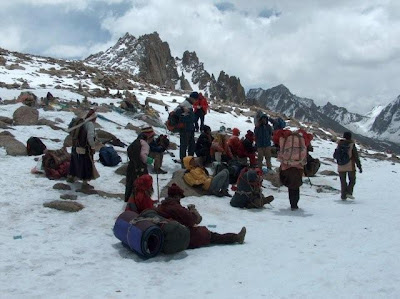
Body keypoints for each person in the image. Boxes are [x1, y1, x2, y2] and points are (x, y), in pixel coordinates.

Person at [155, 183, 246, 249]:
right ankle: (236, 238)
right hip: (183, 236)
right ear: (177, 196)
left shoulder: (163, 205)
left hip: (172, 234)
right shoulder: (176, 207)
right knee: (210, 235)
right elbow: (194, 220)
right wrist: (192, 210)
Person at [276, 129, 308, 210]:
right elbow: (304, 152)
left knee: (290, 186)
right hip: (298, 167)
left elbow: (281, 152)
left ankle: (292, 203)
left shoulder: (284, 139)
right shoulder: (300, 139)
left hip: (287, 167)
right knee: (296, 186)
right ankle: (295, 204)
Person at [68, 109, 99, 189]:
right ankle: (85, 183)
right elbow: (90, 136)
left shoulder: (81, 122)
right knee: (86, 165)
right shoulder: (90, 124)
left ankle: (71, 177)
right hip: (84, 148)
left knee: (75, 162)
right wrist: (92, 146)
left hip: (75, 146)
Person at [125, 127, 155, 202]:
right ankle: (141, 201)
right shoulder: (145, 144)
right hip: (140, 168)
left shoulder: (136, 141)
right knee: (142, 184)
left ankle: (129, 200)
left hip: (132, 166)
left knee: (131, 184)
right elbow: (143, 156)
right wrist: (150, 160)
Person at [335, 131, 362, 200]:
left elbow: (335, 155)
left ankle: (343, 196)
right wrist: (359, 166)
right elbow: (356, 157)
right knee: (352, 180)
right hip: (350, 165)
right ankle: (349, 192)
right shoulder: (351, 145)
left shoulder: (339, 144)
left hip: (340, 165)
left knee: (343, 182)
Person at [176, 93, 196, 165]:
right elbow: (177, 113)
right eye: (195, 99)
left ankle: (188, 161)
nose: (195, 101)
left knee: (191, 146)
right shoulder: (185, 104)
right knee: (184, 146)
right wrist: (184, 110)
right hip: (185, 129)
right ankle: (184, 162)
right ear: (192, 98)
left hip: (189, 128)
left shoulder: (188, 104)